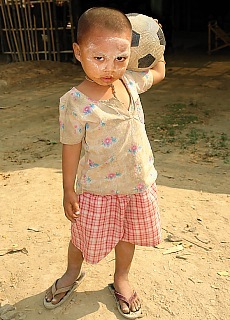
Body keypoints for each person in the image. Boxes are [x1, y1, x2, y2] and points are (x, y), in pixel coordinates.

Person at [44, 6, 165, 319]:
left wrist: (159, 44)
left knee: (128, 236)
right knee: (83, 237)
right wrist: (67, 189)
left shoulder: (131, 83)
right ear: (78, 52)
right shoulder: (75, 101)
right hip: (96, 188)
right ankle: (72, 273)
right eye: (99, 57)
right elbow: (70, 147)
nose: (110, 67)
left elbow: (159, 72)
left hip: (137, 184)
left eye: (120, 58)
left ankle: (121, 278)